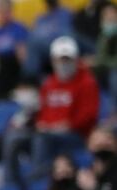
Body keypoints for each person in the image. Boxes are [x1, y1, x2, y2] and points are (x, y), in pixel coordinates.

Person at [30, 36, 99, 179]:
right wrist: (41, 123)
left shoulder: (87, 82)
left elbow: (89, 115)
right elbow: (42, 111)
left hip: (76, 134)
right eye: (60, 60)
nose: (63, 63)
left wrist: (68, 125)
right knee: (14, 139)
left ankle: (40, 177)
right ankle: (12, 183)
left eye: (67, 59)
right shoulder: (48, 83)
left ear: (75, 59)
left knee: (42, 139)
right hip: (50, 131)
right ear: (53, 61)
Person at [0, 0, 29, 100]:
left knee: (6, 63)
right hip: (0, 68)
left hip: (14, 64)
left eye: (4, 12)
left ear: (11, 12)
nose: (1, 15)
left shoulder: (18, 28)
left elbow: (22, 54)